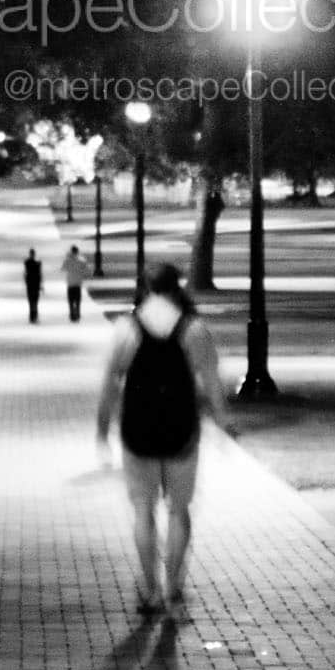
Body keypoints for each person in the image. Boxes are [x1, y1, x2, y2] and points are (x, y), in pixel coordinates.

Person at [95, 262, 228, 614]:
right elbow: (212, 382)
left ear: (145, 287)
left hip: (137, 430)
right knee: (179, 511)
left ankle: (149, 588)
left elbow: (110, 383)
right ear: (176, 288)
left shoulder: (127, 328)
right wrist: (221, 420)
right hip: (181, 431)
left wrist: (101, 429)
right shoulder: (194, 329)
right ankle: (174, 589)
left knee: (143, 511)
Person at [62, 243, 90, 321]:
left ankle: (71, 313)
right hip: (78, 283)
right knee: (77, 300)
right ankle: (77, 313)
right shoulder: (82, 260)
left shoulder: (67, 260)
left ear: (71, 251)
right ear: (77, 251)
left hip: (70, 283)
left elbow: (63, 269)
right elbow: (87, 270)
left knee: (71, 300)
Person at [23, 248, 43, 323]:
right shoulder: (38, 263)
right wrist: (41, 284)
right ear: (34, 254)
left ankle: (32, 316)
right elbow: (40, 274)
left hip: (29, 283)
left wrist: (25, 281)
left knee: (31, 300)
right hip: (36, 283)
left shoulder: (26, 262)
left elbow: (25, 273)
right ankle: (35, 315)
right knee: (35, 300)